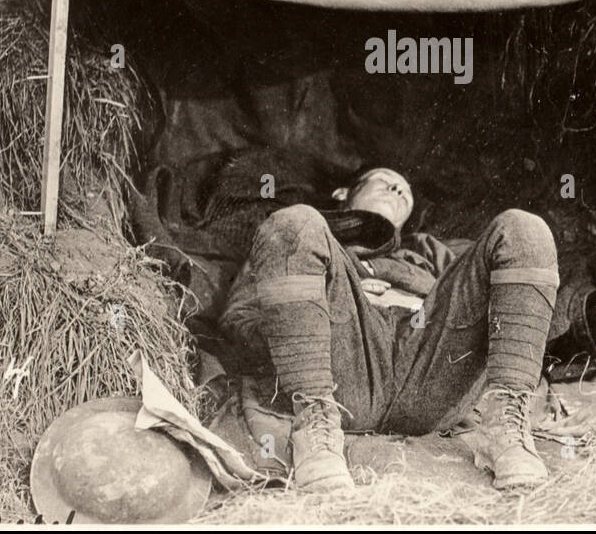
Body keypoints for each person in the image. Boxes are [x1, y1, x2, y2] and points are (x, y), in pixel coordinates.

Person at [219, 167, 560, 493]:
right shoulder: (299, 237)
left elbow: (510, 298)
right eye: (384, 181)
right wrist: (315, 314)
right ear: (343, 193)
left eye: (405, 193)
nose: (397, 190)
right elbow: (240, 320)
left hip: (433, 369)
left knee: (523, 228)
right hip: (343, 371)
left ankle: (505, 428)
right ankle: (315, 427)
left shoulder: (429, 251)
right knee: (292, 220)